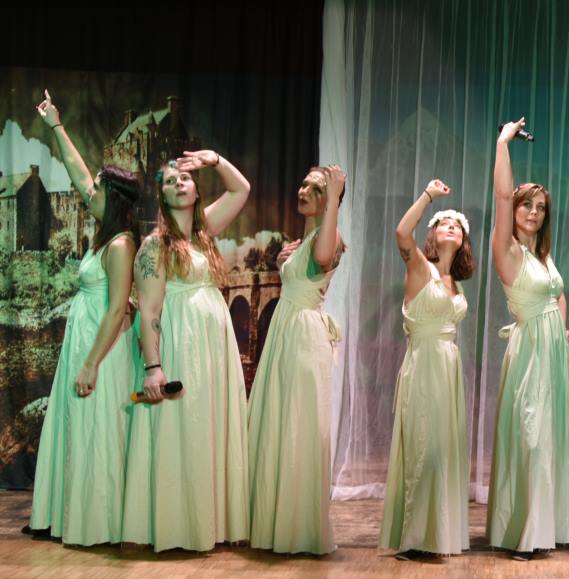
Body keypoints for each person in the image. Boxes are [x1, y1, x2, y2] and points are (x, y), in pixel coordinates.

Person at [25, 90, 141, 546]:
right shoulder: (105, 239)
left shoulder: (121, 245)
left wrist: (92, 363)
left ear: (115, 199)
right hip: (85, 338)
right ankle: (68, 515)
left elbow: (117, 308)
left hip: (102, 347)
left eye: (98, 189)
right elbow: (77, 174)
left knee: (97, 427)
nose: (89, 191)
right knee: (78, 425)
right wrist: (56, 125)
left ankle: (99, 522)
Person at [122, 148, 251, 552]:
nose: (179, 182)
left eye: (185, 178)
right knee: (181, 427)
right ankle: (178, 525)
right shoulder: (154, 246)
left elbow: (241, 189)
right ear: (161, 195)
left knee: (206, 425)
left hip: (212, 347)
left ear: (196, 190)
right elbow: (149, 310)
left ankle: (209, 522)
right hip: (182, 342)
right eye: (170, 180)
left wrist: (214, 160)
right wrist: (153, 367)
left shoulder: (204, 232)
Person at [486, 118, 569, 561]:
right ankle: (524, 530)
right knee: (531, 435)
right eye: (527, 205)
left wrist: (563, 326)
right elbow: (503, 195)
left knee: (548, 436)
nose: (534, 213)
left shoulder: (543, 255)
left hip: (553, 353)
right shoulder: (507, 250)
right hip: (530, 353)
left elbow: (558, 293)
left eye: (540, 207)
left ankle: (546, 526)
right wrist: (504, 143)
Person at [248, 165, 346, 555]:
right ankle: (273, 519)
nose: (303, 190)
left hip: (304, 336)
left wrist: (334, 197)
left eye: (316, 188)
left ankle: (296, 526)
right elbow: (302, 271)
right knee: (279, 419)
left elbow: (322, 257)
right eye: (303, 184)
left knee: (298, 424)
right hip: (285, 332)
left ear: (331, 198)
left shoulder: (329, 237)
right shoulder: (302, 240)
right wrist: (282, 264)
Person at [380, 179, 474, 560]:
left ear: (463, 241)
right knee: (425, 448)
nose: (451, 226)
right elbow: (402, 233)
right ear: (433, 235)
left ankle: (438, 535)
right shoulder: (421, 267)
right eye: (444, 223)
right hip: (424, 366)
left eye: (457, 225)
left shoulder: (456, 284)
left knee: (444, 451)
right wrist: (428, 197)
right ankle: (416, 536)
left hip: (448, 369)